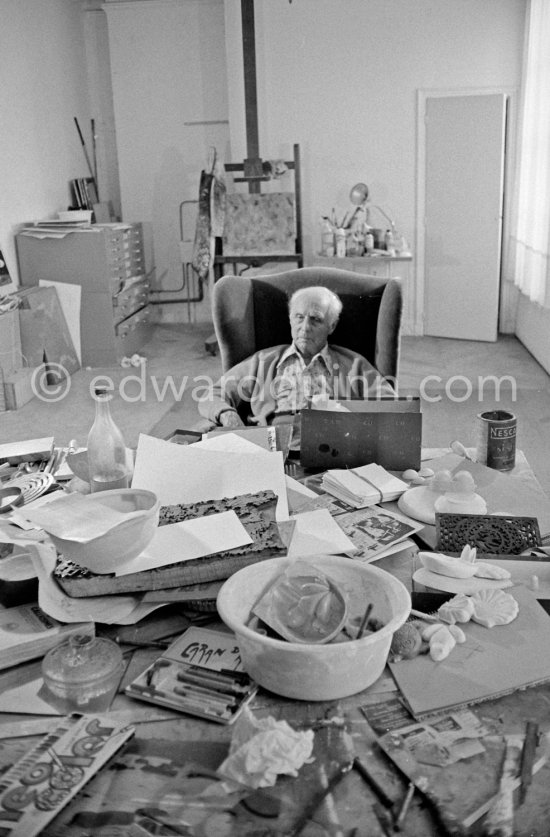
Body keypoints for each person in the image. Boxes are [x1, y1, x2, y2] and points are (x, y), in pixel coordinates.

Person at [198, 286, 394, 446]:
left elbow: (391, 405)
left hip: (334, 450)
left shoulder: (354, 365)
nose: (305, 327)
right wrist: (228, 415)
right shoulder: (262, 361)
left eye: (315, 319)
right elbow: (212, 394)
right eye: (299, 317)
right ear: (290, 320)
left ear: (332, 326)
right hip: (270, 448)